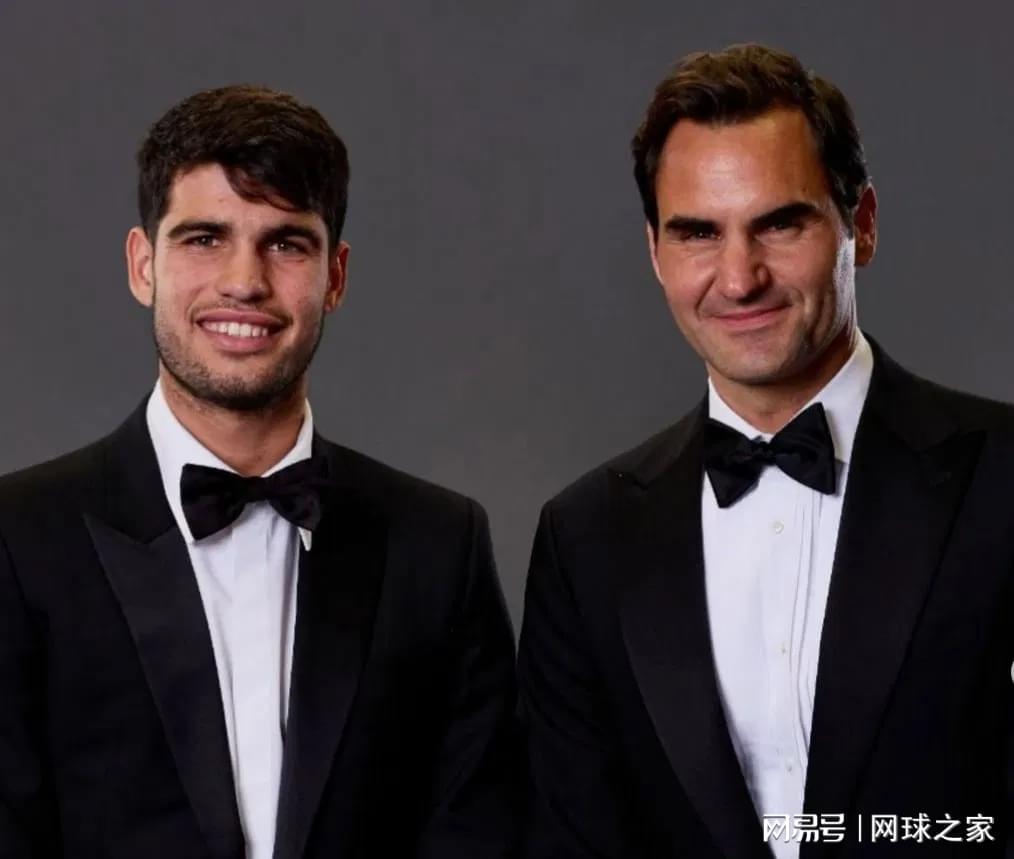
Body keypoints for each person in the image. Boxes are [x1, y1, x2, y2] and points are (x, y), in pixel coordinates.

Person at [518, 44, 1014, 858]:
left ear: (862, 223)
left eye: (780, 224)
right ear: (655, 253)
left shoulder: (1002, 476)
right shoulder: (585, 538)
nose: (739, 277)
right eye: (697, 233)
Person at [0, 85, 518, 859]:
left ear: (335, 276)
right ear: (142, 265)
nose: (244, 280)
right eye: (204, 238)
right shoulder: (18, 539)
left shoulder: (440, 546)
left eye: (286, 243)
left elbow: (477, 834)